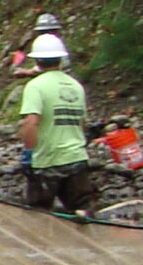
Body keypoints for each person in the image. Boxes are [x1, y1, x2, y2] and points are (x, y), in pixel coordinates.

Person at [18, 30, 98, 213]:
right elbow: (82, 123)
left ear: (37, 61)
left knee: (39, 215)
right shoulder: (76, 87)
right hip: (77, 160)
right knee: (83, 213)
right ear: (61, 59)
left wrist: (29, 155)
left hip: (47, 162)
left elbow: (31, 123)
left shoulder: (35, 86)